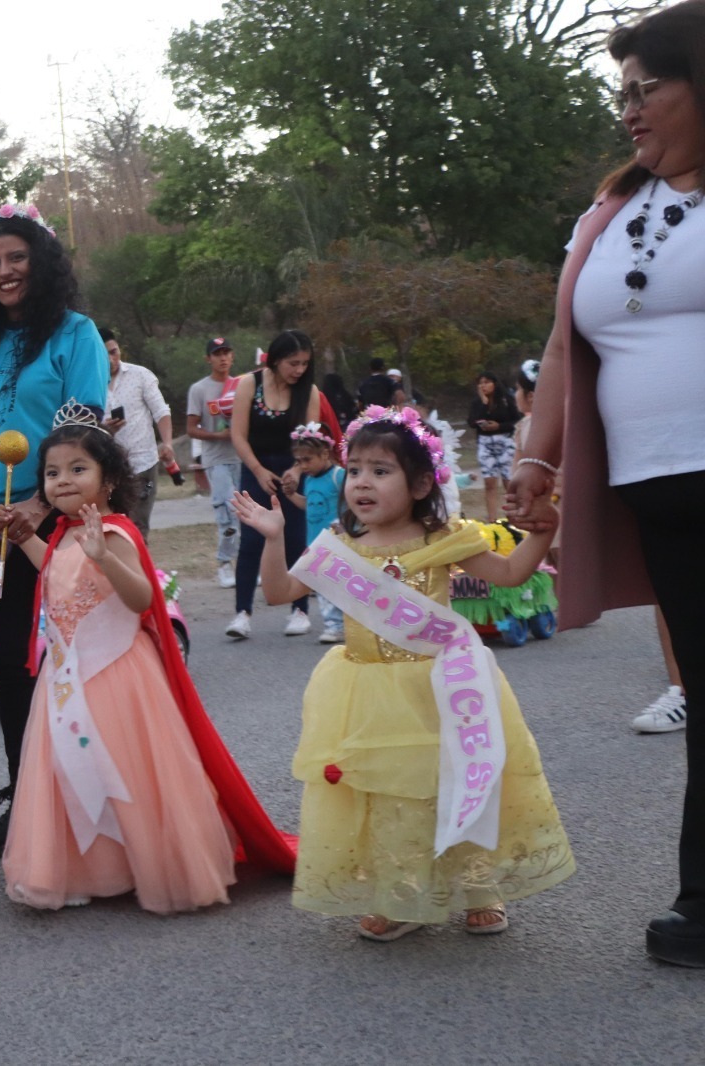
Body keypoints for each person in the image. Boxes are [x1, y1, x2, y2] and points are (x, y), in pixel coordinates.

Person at [507, 0, 705, 967]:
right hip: (656, 488)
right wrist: (535, 462)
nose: (628, 109)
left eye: (648, 87)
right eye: (619, 92)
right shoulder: (611, 212)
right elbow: (562, 344)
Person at [235, 407, 574, 941]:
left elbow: (509, 574)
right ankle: (402, 893)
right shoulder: (341, 548)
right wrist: (274, 538)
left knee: (455, 783)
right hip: (364, 689)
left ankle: (481, 887)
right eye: (357, 470)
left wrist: (544, 532)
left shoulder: (444, 538)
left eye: (381, 470)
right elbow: (279, 595)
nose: (362, 483)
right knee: (389, 792)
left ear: (420, 483)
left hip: (440, 686)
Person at [0, 412, 295, 912]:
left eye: (77, 469)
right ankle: (99, 867)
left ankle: (147, 862)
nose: (63, 480)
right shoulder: (69, 534)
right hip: (69, 674)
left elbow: (139, 598)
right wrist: (24, 535)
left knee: (126, 771)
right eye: (52, 473)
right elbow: (58, 571)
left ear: (108, 480)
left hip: (116, 673)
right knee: (78, 767)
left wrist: (105, 556)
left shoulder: (114, 532)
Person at [0, 202, 109, 857]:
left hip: (61, 525)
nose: (5, 272)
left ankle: (88, 800)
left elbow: (87, 431)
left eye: (16, 257)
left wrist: (42, 504)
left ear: (40, 260)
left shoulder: (75, 334)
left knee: (75, 664)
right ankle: (25, 798)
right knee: (12, 665)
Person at [225, 330, 321, 639]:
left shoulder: (310, 391)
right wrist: (257, 470)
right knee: (251, 540)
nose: (299, 370)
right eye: (293, 363)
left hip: (295, 470)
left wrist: (297, 469)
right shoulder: (248, 385)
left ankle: (300, 610)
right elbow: (238, 435)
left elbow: (311, 439)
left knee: (296, 538)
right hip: (256, 469)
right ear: (276, 359)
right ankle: (242, 612)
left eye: (305, 363)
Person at [98, 328, 174, 539]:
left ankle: (141, 570)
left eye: (114, 352)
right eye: (104, 355)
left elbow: (161, 412)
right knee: (113, 528)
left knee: (138, 528)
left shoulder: (140, 375)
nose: (111, 359)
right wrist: (106, 429)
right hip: (109, 469)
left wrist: (167, 443)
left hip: (143, 464)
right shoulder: (90, 384)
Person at [279, 424, 345, 643]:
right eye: (299, 461)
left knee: (344, 585)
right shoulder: (309, 480)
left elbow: (353, 503)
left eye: (308, 460)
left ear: (325, 454)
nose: (303, 466)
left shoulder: (339, 476)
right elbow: (309, 505)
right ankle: (333, 625)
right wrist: (290, 495)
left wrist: (344, 524)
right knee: (324, 587)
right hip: (315, 543)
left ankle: (350, 624)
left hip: (340, 542)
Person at [186, 337, 241, 589]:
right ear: (208, 358)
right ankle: (224, 563)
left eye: (226, 352)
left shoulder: (242, 385)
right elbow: (191, 428)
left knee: (247, 513)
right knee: (227, 512)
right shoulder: (199, 389)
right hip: (216, 459)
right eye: (217, 353)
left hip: (241, 457)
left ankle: (246, 563)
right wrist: (217, 435)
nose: (223, 358)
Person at [467, 371, 521, 521]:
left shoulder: (506, 400)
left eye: (486, 382)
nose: (483, 386)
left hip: (505, 442)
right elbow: (472, 422)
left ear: (494, 384)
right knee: (490, 482)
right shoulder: (477, 402)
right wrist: (484, 403)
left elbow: (517, 422)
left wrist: (499, 426)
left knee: (509, 482)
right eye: (480, 383)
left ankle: (514, 518)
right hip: (485, 444)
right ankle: (492, 520)